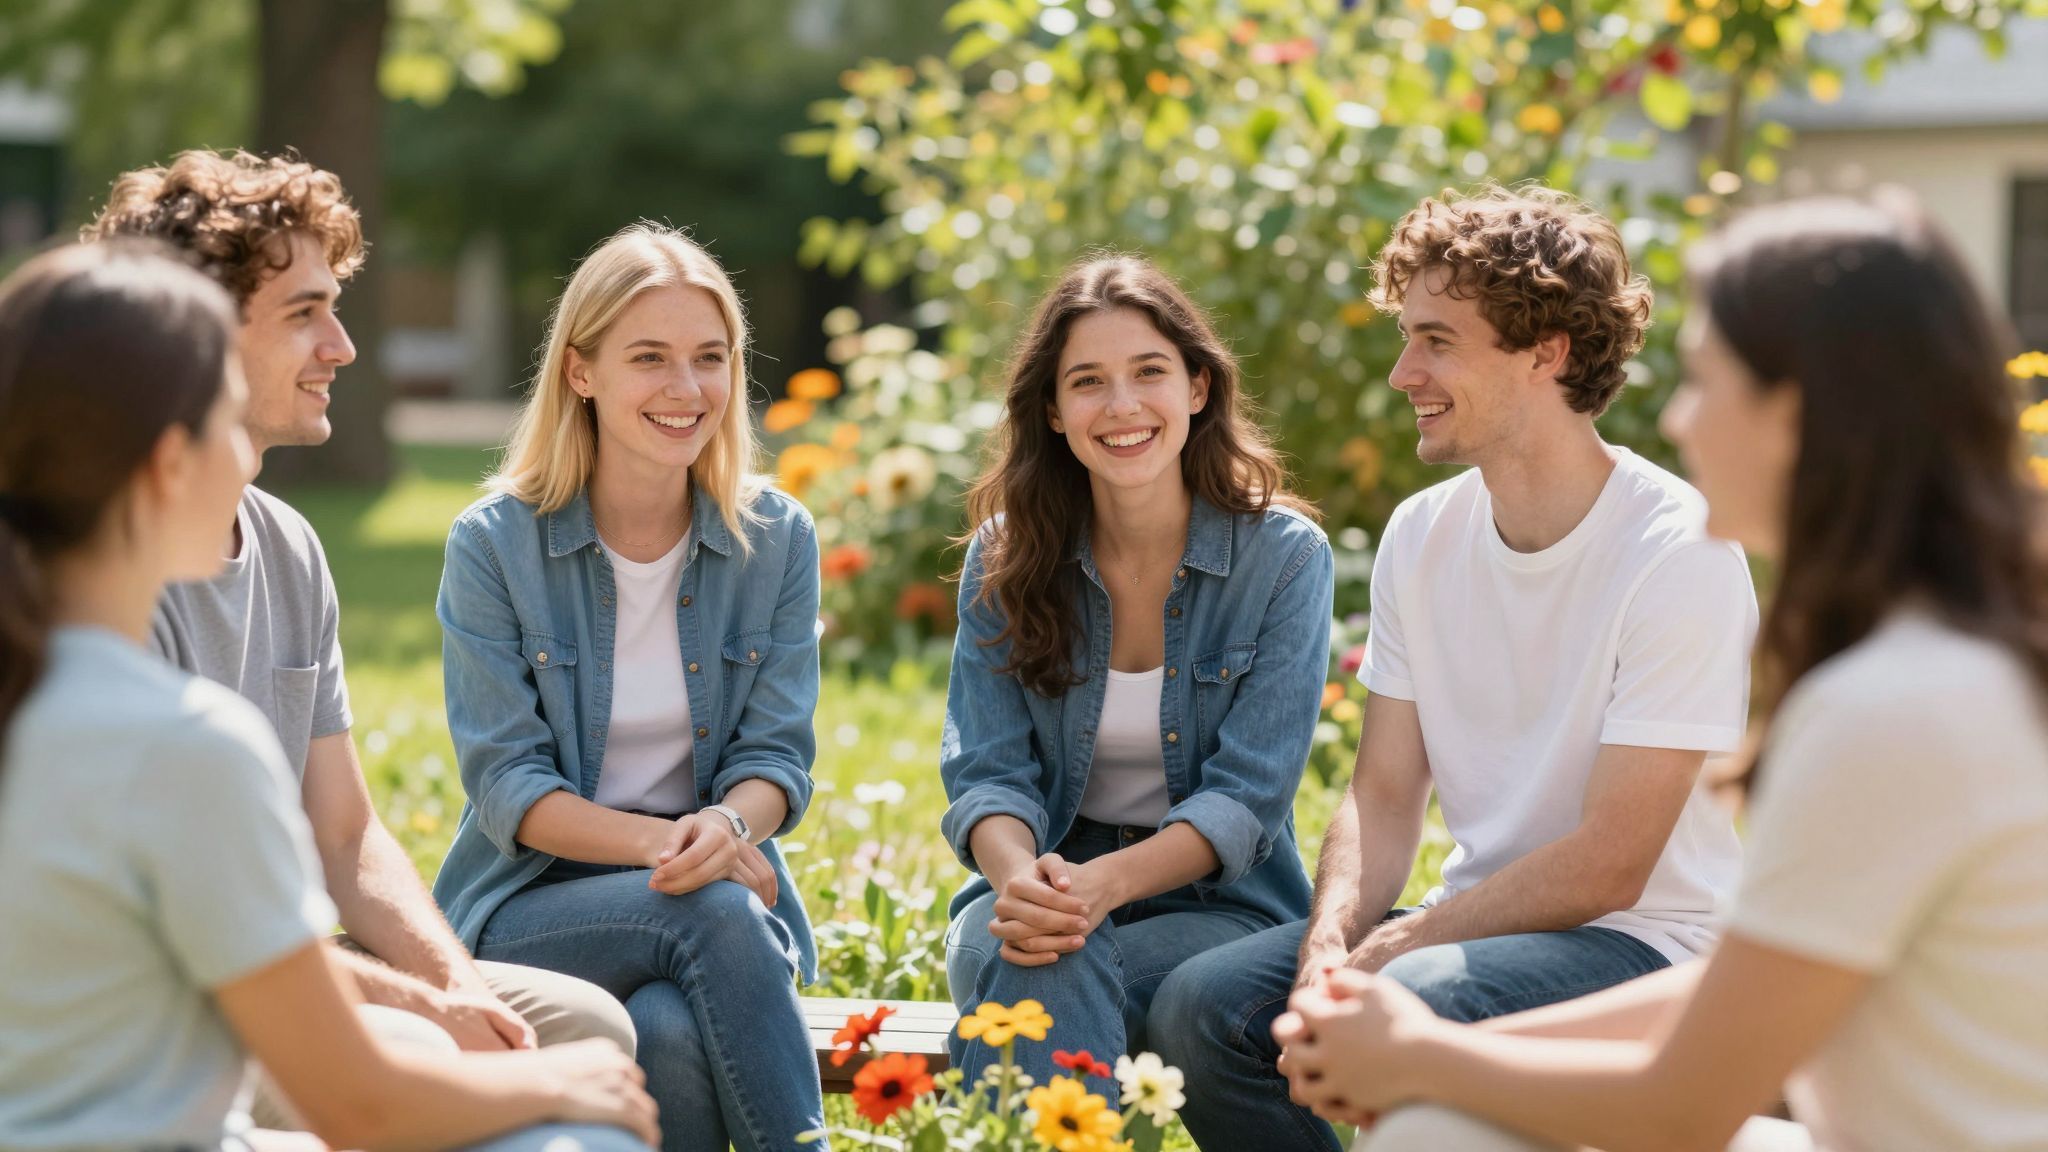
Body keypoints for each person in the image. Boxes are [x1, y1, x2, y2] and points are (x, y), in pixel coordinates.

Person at [1278, 192, 2048, 1152]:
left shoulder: (1892, 707)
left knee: (1434, 1128)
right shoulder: (1934, 663)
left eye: (1705, 381)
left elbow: (1686, 1103)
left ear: (1798, 413)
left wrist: (1419, 1052)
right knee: (1428, 1115)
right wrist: (1410, 1037)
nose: (1679, 421)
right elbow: (1746, 992)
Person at [0, 240, 656, 1151]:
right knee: (589, 1133)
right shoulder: (180, 743)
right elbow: (361, 1106)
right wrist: (565, 1082)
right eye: (227, 421)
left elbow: (344, 842)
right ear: (167, 465)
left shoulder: (50, 693)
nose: (246, 458)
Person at [1153, 185, 1759, 1152]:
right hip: (1468, 927)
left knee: (1415, 991)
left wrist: (1398, 945)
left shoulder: (1677, 551)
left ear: (1546, 353)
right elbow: (1385, 793)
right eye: (1407, 338)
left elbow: (1613, 861)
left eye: (1436, 341)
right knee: (1206, 1008)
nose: (1404, 373)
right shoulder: (1423, 532)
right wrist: (1332, 938)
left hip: (1646, 948)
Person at [430, 222, 824, 1152]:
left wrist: (726, 827)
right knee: (711, 909)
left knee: (668, 1033)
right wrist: (681, 850)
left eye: (710, 358)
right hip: (534, 904)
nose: (687, 389)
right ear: (581, 371)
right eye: (650, 358)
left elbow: (776, 760)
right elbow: (510, 790)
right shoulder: (494, 545)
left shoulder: (777, 538)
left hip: (711, 888)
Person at [939, 254, 1334, 1093]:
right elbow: (986, 770)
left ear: (1198, 387)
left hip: (1220, 907)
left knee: (1041, 972)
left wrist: (1100, 890)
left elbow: (1246, 797)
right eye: (1088, 382)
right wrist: (1026, 883)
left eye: (1149, 371)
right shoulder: (1005, 556)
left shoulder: (1284, 559)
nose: (1121, 406)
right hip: (1039, 884)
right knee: (1030, 951)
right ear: (1053, 411)